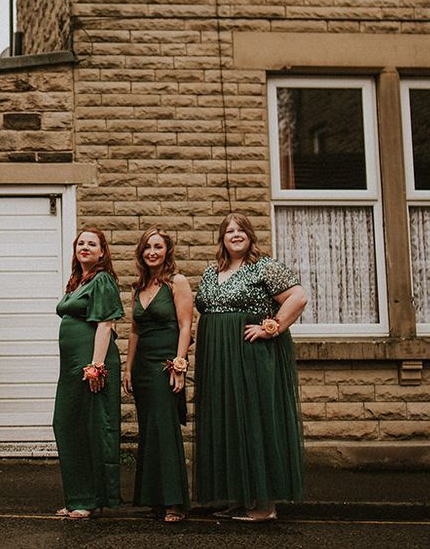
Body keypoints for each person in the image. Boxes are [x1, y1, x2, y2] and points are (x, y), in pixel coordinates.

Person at [193, 212, 308, 522]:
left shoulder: (265, 267)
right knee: (228, 423)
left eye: (240, 229)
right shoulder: (210, 271)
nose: (235, 234)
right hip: (218, 361)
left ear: (249, 235)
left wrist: (272, 326)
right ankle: (239, 497)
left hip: (250, 357)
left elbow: (298, 297)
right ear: (222, 238)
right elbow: (204, 312)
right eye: (229, 230)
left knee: (255, 422)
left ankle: (264, 505)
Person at [122, 228, 192, 523]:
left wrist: (179, 364)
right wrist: (128, 367)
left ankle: (175, 502)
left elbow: (186, 325)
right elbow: (135, 330)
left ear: (167, 251)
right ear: (141, 252)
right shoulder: (139, 287)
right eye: (148, 247)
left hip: (166, 364)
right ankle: (154, 499)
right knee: (149, 430)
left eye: (158, 247)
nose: (152, 252)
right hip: (142, 368)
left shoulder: (177, 282)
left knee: (165, 429)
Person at [53, 227, 123, 519]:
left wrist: (96, 366)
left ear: (102, 252)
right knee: (67, 424)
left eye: (91, 244)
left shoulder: (103, 280)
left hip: (90, 365)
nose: (85, 247)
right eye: (80, 243)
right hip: (71, 367)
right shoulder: (78, 281)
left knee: (90, 428)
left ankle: (89, 499)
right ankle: (77, 497)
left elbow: (105, 324)